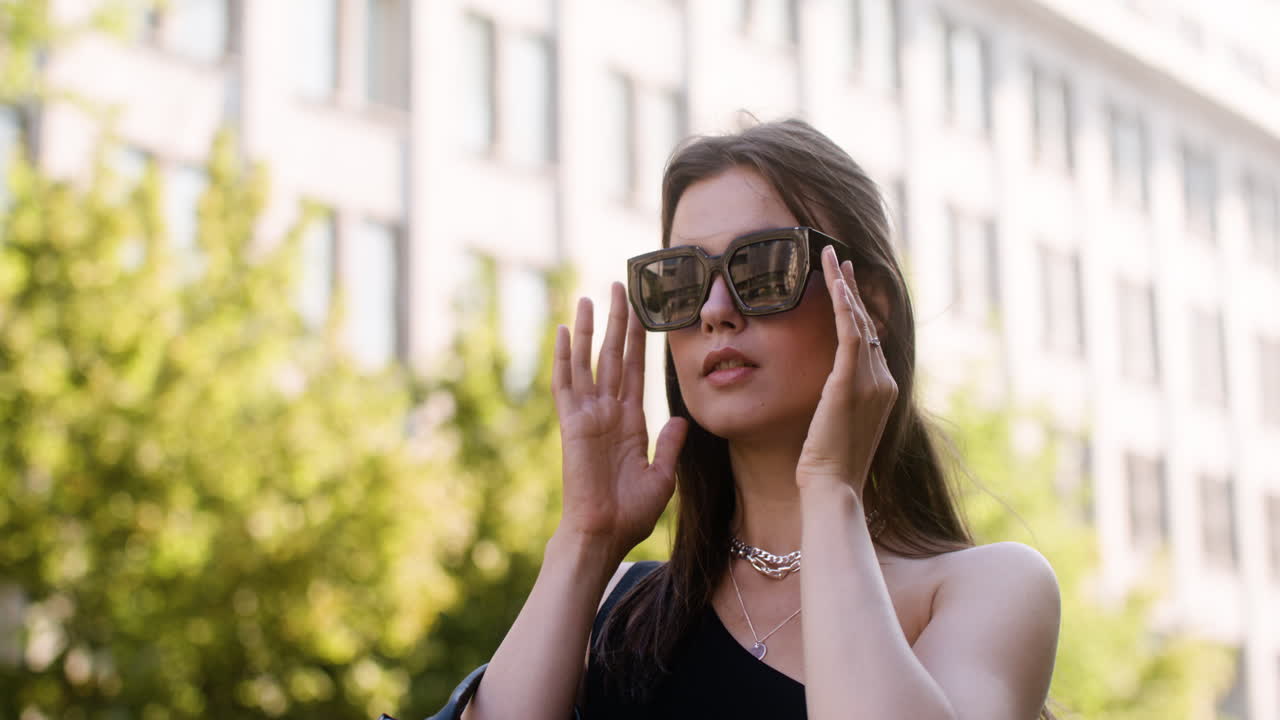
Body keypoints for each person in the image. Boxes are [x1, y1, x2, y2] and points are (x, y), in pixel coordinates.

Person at [460, 119, 1061, 720]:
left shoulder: (987, 589)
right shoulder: (615, 605)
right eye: (682, 281)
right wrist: (586, 538)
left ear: (870, 306)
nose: (716, 311)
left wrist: (830, 488)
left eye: (764, 268)